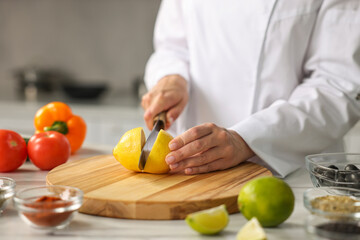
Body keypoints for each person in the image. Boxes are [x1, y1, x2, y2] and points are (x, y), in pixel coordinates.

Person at [141, 0, 360, 177]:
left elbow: (337, 83)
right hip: (191, 171)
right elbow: (172, 47)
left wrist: (246, 139)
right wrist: (171, 77)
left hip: (293, 175)